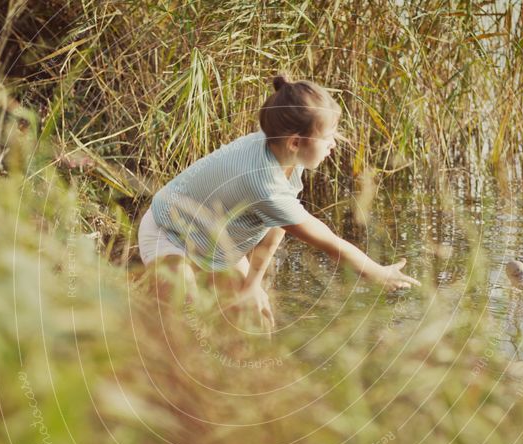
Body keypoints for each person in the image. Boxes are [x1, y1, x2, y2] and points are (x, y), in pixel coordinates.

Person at [138, 73, 420, 329]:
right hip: (170, 232)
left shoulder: (281, 149)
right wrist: (378, 272)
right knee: (183, 321)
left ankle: (247, 381)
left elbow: (276, 227)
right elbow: (331, 244)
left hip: (214, 241)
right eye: (327, 137)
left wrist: (252, 286)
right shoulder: (264, 184)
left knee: (257, 323)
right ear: (296, 142)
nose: (334, 144)